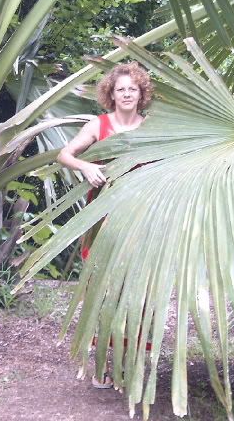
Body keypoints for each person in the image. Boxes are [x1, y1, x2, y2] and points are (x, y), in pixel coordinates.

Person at [57, 61, 154, 389]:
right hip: (102, 220)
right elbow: (65, 154)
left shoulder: (150, 128)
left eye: (132, 89)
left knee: (136, 292)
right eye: (120, 89)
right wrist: (85, 166)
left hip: (141, 218)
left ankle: (130, 367)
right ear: (111, 94)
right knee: (102, 292)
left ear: (141, 94)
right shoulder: (98, 125)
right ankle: (101, 366)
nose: (126, 94)